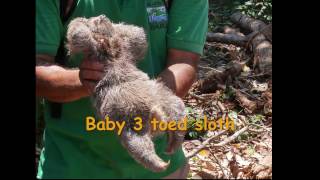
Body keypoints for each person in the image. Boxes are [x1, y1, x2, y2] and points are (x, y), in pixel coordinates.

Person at [36, 0, 208, 178]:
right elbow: (39, 66)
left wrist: (148, 96)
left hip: (158, 162)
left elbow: (184, 61)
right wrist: (84, 79)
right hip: (71, 165)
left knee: (158, 118)